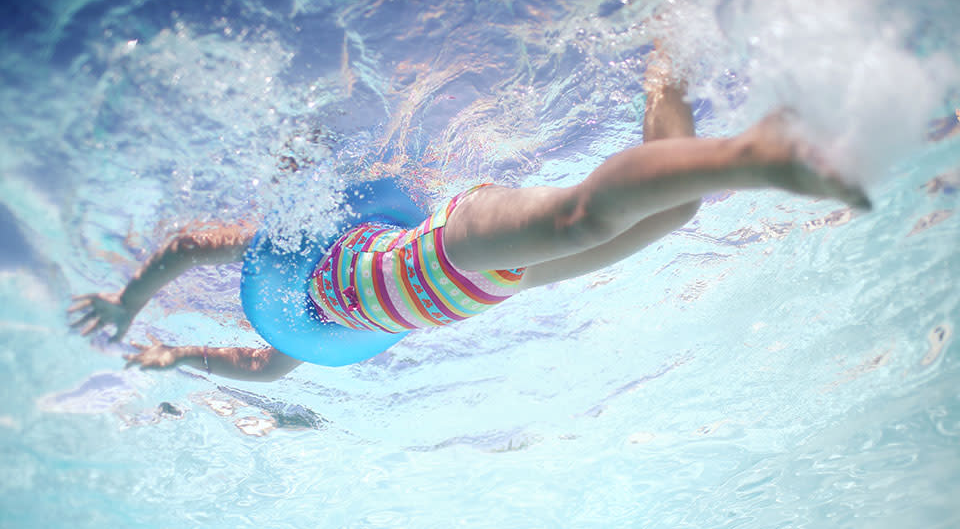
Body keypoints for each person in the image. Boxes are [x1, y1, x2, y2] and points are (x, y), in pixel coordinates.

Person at [69, 54, 870, 382]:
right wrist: (176, 356)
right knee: (671, 216)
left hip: (441, 242)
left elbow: (181, 247)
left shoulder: (295, 246)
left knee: (584, 218)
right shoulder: (303, 334)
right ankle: (666, 77)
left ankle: (759, 153)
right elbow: (263, 367)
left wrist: (126, 304)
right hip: (474, 291)